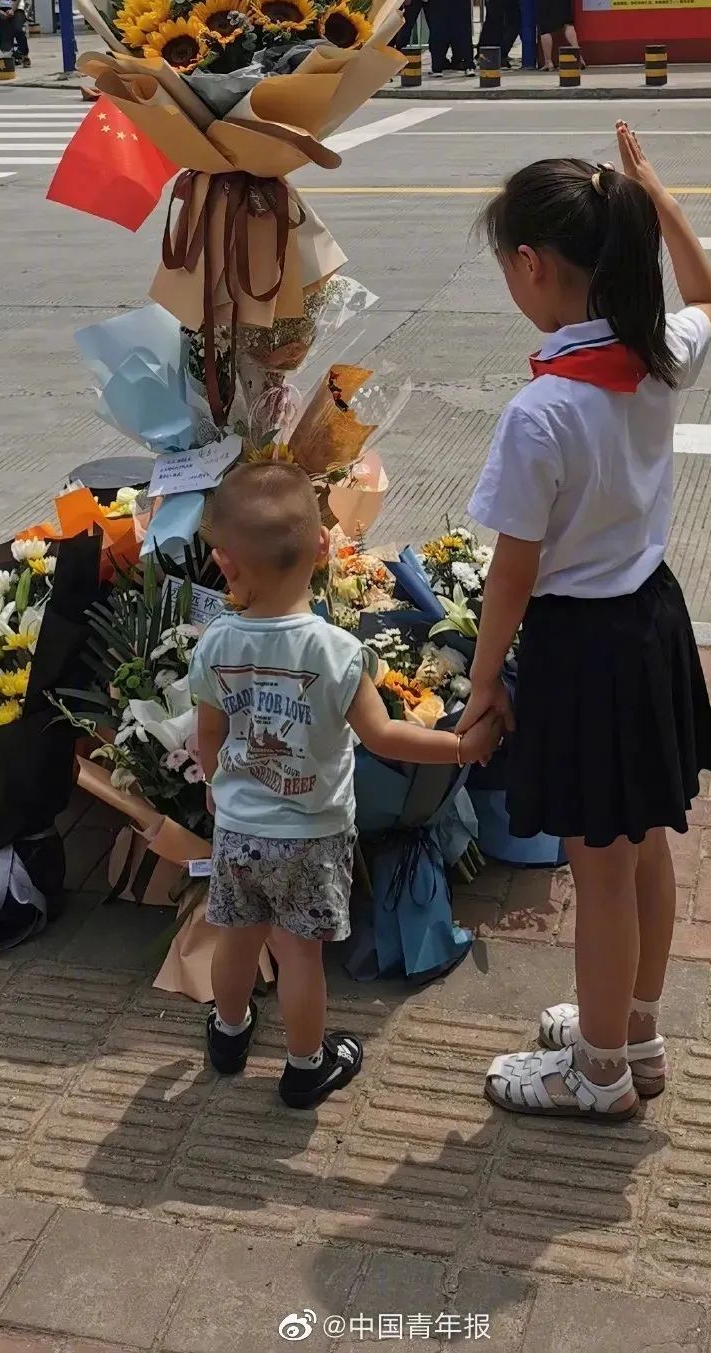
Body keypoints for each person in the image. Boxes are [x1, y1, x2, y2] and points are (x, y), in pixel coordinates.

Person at [454, 127, 711, 1121]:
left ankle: (598, 1072)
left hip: (583, 642)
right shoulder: (653, 352)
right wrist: (659, 192)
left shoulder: (544, 410)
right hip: (651, 622)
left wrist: (484, 682)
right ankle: (635, 1027)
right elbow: (710, 297)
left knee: (598, 868)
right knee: (643, 840)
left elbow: (512, 572)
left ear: (533, 265)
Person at [190, 462, 497, 1108]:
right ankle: (305, 1065)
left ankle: (228, 1031)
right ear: (325, 546)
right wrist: (461, 743)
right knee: (300, 955)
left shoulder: (215, 643)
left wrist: (218, 784)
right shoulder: (336, 652)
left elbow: (209, 734)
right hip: (310, 832)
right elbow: (386, 737)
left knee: (238, 935)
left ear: (226, 564)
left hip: (241, 828)